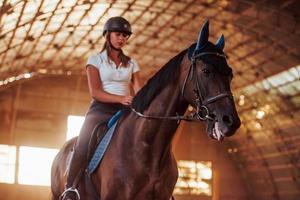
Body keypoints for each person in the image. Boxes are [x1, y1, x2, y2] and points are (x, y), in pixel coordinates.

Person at [61, 16, 142, 200]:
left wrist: (143, 102)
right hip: (100, 109)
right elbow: (95, 92)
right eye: (118, 34)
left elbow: (139, 89)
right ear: (108, 35)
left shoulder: (132, 63)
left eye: (125, 36)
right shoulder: (95, 60)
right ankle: (70, 187)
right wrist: (121, 98)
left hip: (126, 109)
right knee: (83, 142)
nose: (122, 39)